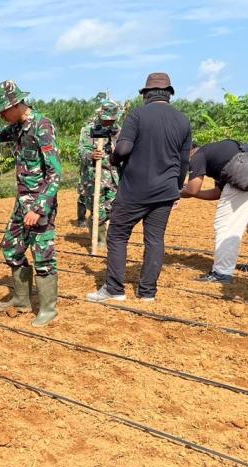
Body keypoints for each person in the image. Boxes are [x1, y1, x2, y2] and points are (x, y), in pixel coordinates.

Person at [87, 73, 192, 303]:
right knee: (154, 240)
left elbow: (123, 149)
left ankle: (114, 289)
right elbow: (184, 162)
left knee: (117, 235)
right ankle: (147, 293)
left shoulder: (137, 116)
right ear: (169, 94)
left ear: (146, 95)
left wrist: (113, 158)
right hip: (165, 190)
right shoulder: (183, 120)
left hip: (135, 189)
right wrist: (176, 189)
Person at [0, 80, 62, 327]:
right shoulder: (18, 126)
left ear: (16, 104)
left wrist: (39, 208)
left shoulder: (42, 126)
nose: (1, 115)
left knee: (43, 255)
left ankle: (48, 308)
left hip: (40, 205)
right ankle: (21, 299)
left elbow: (54, 173)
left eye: (3, 110)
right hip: (22, 203)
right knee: (11, 247)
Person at [181, 140, 248, 283]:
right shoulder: (217, 154)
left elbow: (192, 188)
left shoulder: (197, 156)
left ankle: (221, 272)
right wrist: (192, 192)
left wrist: (176, 192)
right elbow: (217, 193)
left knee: (226, 224)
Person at [77, 99, 120, 243]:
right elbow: (82, 150)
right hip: (94, 177)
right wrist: (91, 155)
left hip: (114, 177)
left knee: (113, 207)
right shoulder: (88, 129)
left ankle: (107, 236)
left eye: (111, 120)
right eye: (106, 120)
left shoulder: (117, 130)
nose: (109, 123)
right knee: (97, 209)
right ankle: (100, 241)